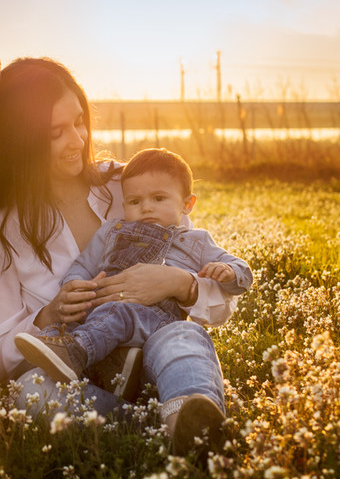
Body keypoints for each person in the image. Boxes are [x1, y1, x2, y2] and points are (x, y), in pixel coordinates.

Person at [0, 58, 242, 455]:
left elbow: (220, 306)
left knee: (183, 336)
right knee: (31, 394)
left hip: (156, 353)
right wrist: (47, 316)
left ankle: (188, 416)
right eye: (56, 133)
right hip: (76, 374)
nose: (77, 140)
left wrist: (180, 285)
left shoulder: (129, 184)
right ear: (20, 140)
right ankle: (170, 430)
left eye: (79, 121)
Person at [14, 148, 252, 395]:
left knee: (119, 311)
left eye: (159, 199)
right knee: (77, 320)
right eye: (135, 202)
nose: (146, 208)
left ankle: (76, 352)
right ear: (124, 203)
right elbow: (84, 264)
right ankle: (86, 361)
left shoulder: (196, 241)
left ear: (187, 204)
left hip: (157, 320)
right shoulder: (112, 231)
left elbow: (243, 273)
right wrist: (75, 285)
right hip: (103, 313)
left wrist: (229, 271)